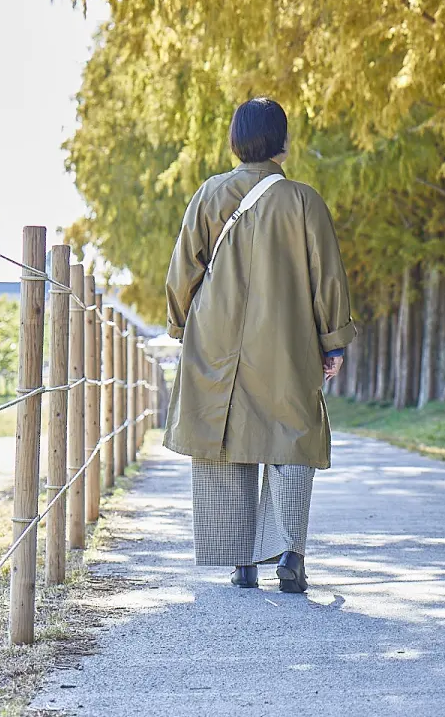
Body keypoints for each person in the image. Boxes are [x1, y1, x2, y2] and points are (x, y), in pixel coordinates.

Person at [164, 98, 356, 594]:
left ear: (235, 142)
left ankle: (241, 561)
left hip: (216, 339)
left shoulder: (208, 195)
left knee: (228, 440)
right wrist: (332, 340)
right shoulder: (303, 201)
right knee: (292, 438)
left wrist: (182, 327)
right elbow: (326, 277)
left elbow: (183, 271)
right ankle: (291, 554)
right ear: (283, 143)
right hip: (288, 341)